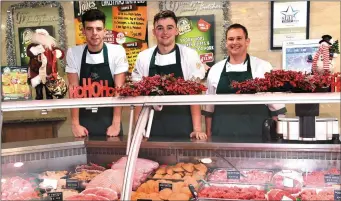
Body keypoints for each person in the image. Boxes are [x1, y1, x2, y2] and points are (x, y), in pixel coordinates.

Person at [203, 23, 287, 140]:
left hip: (257, 136)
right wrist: (209, 136)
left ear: (247, 41)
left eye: (239, 38)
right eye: (231, 39)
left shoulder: (263, 67)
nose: (234, 42)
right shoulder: (215, 70)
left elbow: (276, 107)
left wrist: (278, 137)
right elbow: (209, 108)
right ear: (226, 43)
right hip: (222, 136)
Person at [132, 10, 207, 140]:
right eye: (160, 28)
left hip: (183, 124)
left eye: (169, 28)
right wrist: (138, 129)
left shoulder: (189, 55)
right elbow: (139, 97)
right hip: (151, 126)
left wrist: (197, 129)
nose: (165, 32)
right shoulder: (143, 57)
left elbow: (194, 95)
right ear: (154, 32)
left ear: (177, 31)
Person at [66, 9, 128, 137]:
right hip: (83, 123)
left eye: (99, 29)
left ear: (105, 31)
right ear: (83, 31)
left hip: (110, 121)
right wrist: (75, 123)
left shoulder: (117, 51)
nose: (94, 33)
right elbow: (73, 89)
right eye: (89, 29)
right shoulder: (73, 53)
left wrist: (116, 123)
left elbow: (119, 89)